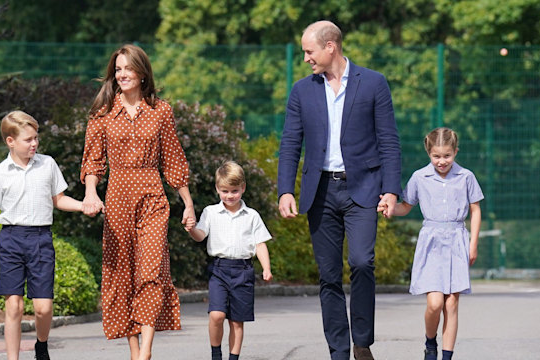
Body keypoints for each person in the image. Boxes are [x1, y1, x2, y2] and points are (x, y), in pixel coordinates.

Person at [277, 20, 402, 360]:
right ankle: (339, 351)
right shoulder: (302, 91)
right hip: (320, 192)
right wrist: (285, 190)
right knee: (329, 276)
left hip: (363, 189)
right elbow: (290, 143)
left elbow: (389, 140)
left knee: (362, 263)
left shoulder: (373, 83)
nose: (306, 58)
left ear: (330, 46)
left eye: (309, 51)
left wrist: (391, 189)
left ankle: (361, 341)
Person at [80, 44, 195, 360]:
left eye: (128, 68)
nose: (122, 74)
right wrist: (91, 193)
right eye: (118, 69)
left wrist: (187, 203)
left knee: (151, 271)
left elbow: (172, 159)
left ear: (142, 72)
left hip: (153, 198)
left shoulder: (161, 111)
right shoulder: (102, 114)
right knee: (123, 275)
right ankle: (134, 352)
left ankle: (145, 352)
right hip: (117, 199)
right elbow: (93, 161)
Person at [0, 110, 84, 360]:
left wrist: (83, 205)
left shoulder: (48, 164)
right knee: (14, 305)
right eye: (28, 139)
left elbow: (60, 199)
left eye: (36, 138)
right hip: (10, 240)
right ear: (10, 141)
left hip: (41, 239)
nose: (34, 143)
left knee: (43, 309)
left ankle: (41, 345)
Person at [377, 128, 482, 360]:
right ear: (429, 153)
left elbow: (475, 210)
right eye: (436, 156)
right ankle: (430, 341)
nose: (442, 161)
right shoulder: (419, 177)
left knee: (452, 304)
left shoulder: (466, 177)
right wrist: (392, 209)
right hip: (431, 243)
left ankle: (445, 356)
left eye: (447, 155)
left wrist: (473, 244)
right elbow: (407, 205)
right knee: (435, 304)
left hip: (457, 241)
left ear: (455, 152)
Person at [188, 160, 272, 360]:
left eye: (234, 191)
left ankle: (233, 357)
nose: (230, 196)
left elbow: (260, 244)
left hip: (243, 271)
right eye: (225, 191)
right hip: (219, 270)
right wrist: (191, 229)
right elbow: (201, 235)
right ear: (217, 189)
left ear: (242, 188)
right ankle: (216, 354)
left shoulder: (251, 216)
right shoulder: (211, 212)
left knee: (236, 321)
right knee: (216, 315)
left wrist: (266, 268)